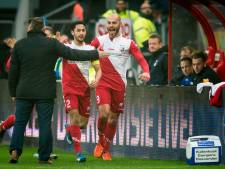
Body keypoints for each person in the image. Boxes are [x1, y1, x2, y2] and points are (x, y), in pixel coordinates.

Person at [8, 17, 107, 164]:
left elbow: (13, 72)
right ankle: (44, 157)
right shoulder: (52, 44)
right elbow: (73, 54)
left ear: (29, 28)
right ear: (43, 29)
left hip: (23, 90)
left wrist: (13, 93)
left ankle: (15, 152)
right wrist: (95, 54)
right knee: (45, 124)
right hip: (45, 91)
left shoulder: (20, 45)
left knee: (20, 123)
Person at [91, 14, 150, 160]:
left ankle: (106, 149)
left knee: (113, 119)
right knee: (104, 113)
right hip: (102, 82)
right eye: (109, 23)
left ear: (120, 24)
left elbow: (141, 59)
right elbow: (85, 52)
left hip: (119, 85)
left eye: (114, 23)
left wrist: (146, 71)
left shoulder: (128, 43)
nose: (111, 25)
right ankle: (100, 140)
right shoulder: (99, 40)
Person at [63, 21, 101, 162]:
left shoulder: (91, 49)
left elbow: (99, 70)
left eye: (83, 30)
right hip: (69, 89)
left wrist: (96, 80)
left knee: (82, 123)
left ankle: (69, 130)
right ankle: (79, 153)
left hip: (85, 89)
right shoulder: (66, 48)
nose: (81, 33)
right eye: (78, 30)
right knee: (74, 116)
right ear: (73, 32)